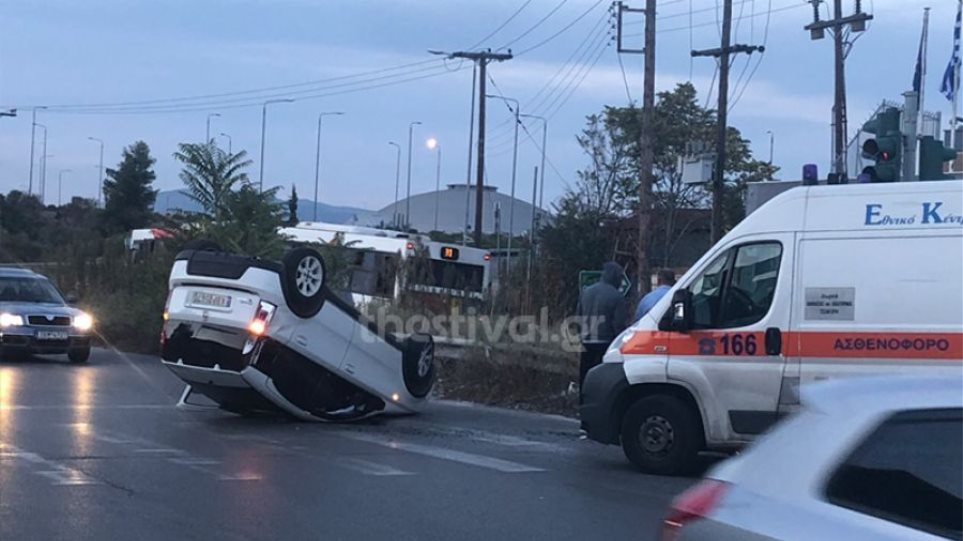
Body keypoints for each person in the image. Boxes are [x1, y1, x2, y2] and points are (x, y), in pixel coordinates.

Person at [576, 261, 628, 402]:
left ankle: (584, 402)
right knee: (603, 379)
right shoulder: (617, 297)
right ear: (615, 277)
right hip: (606, 343)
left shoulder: (586, 292)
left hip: (586, 341)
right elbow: (618, 325)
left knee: (585, 375)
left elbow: (578, 317)